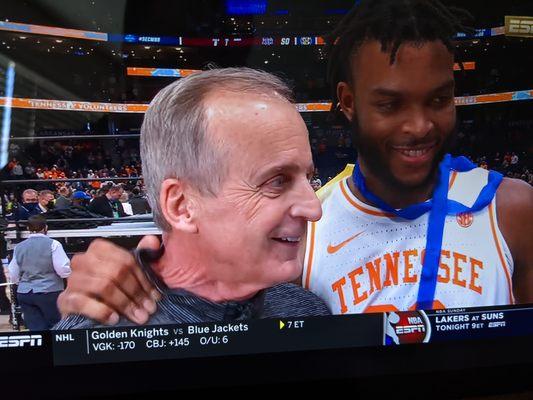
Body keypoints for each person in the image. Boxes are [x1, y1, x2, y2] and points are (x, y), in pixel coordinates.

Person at [57, 0, 532, 324]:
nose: (419, 126)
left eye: (440, 100)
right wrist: (129, 274)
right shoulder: (306, 237)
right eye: (390, 104)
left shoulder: (513, 208)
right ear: (347, 102)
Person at [54, 67, 329, 328]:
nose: (314, 208)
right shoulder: (94, 337)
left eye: (308, 177)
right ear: (182, 205)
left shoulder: (307, 311)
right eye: (277, 181)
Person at [8, 215, 71, 330]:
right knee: (56, 327)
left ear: (28, 229)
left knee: (36, 329)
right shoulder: (54, 244)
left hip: (25, 293)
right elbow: (62, 269)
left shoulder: (19, 247)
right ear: (45, 227)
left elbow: (13, 273)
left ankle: (42, 348)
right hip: (50, 291)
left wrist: (20, 283)